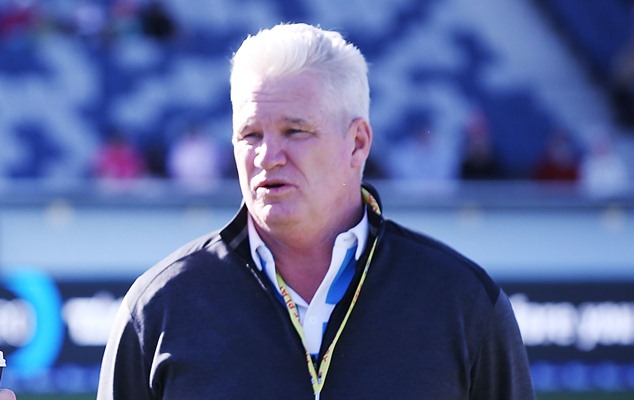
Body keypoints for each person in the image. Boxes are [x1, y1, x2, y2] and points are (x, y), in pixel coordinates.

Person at [97, 23, 535, 399]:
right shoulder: (158, 306)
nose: (268, 156)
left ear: (357, 143)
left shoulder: (463, 301)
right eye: (250, 134)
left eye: (295, 131)